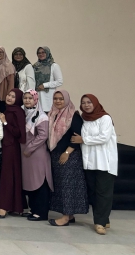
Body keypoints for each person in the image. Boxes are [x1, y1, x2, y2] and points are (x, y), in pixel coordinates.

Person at [75, 94, 117, 235]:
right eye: (83, 103)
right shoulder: (84, 119)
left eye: (89, 102)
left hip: (104, 161)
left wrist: (83, 139)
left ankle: (100, 222)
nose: (86, 105)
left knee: (103, 193)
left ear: (95, 103)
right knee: (92, 192)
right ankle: (105, 218)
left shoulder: (105, 118)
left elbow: (104, 137)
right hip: (89, 162)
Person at [47, 90, 88, 227]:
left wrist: (67, 152)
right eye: (55, 98)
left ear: (66, 100)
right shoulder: (52, 114)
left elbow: (77, 137)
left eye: (61, 98)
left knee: (67, 186)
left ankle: (65, 217)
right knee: (61, 186)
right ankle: (69, 215)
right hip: (56, 154)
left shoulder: (73, 116)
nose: (58, 101)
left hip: (69, 156)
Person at [21, 90, 53, 221]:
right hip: (27, 155)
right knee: (31, 182)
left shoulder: (41, 116)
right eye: (25, 98)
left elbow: (43, 136)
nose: (27, 100)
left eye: (30, 98)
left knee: (40, 182)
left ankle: (41, 212)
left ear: (36, 100)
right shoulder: (25, 113)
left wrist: (29, 148)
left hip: (37, 154)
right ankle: (33, 209)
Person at [0, 89, 26, 218]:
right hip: (6, 145)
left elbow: (18, 132)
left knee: (7, 176)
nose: (9, 97)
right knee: (10, 176)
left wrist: (5, 122)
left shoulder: (18, 111)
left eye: (13, 96)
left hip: (12, 147)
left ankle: (4, 207)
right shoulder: (8, 110)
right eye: (8, 95)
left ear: (18, 99)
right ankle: (14, 206)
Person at [33, 46, 63, 112]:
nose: (41, 54)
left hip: (48, 97)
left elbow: (59, 81)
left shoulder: (54, 66)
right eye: (39, 53)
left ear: (47, 53)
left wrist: (45, 85)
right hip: (37, 96)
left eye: (43, 52)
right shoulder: (35, 66)